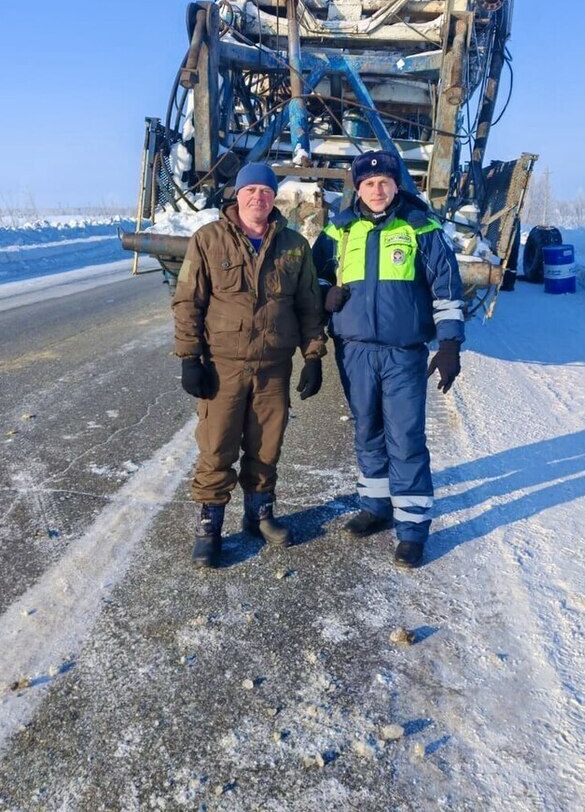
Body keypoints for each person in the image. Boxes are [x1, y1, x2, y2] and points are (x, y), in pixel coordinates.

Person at [312, 149, 464, 569]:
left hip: (402, 353)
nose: (377, 190)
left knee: (406, 438)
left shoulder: (421, 227)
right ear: (357, 189)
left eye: (384, 183)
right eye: (368, 184)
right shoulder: (338, 231)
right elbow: (317, 274)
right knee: (367, 429)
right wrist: (326, 293)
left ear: (397, 185)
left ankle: (413, 529)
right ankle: (376, 507)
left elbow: (447, 288)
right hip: (354, 350)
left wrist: (449, 344)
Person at [172, 161, 326, 569]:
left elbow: (309, 305)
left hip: (273, 368)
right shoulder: (208, 240)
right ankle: (209, 527)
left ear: (275, 198)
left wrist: (313, 356)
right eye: (250, 190)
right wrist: (190, 358)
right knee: (216, 446)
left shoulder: (294, 246)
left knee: (266, 447)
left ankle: (259, 515)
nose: (258, 197)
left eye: (265, 191)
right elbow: (188, 302)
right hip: (222, 368)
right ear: (237, 196)